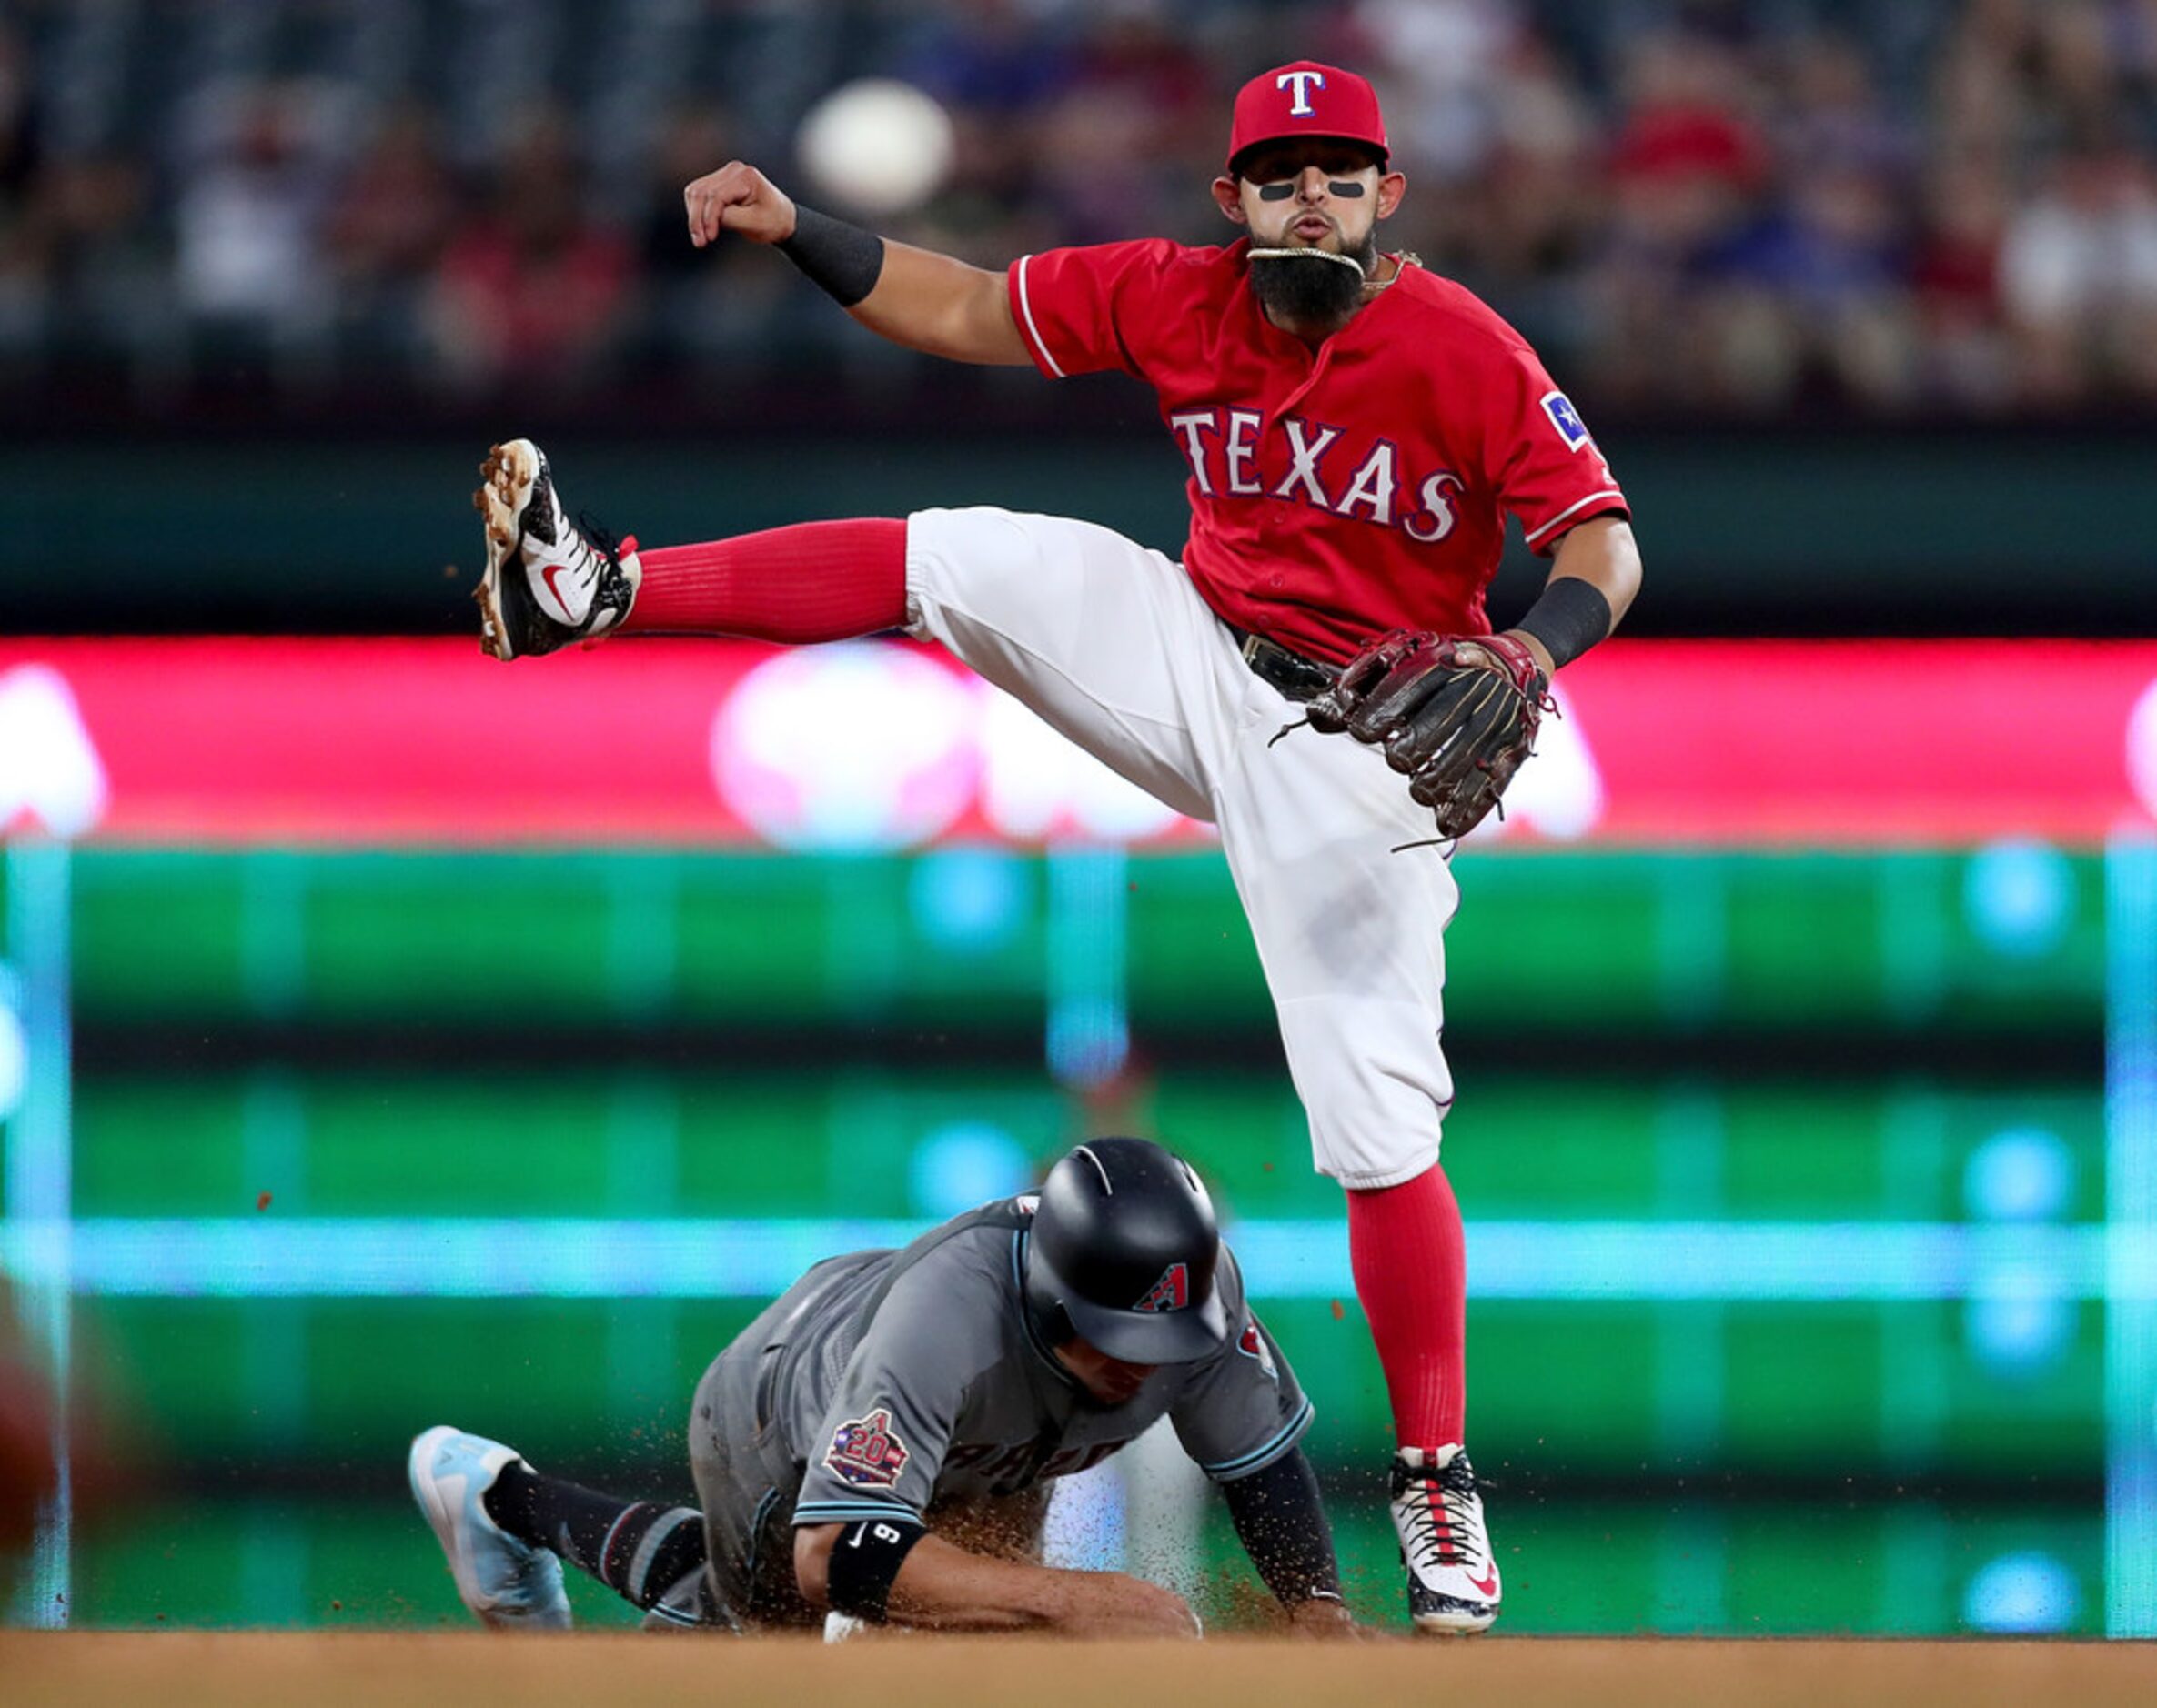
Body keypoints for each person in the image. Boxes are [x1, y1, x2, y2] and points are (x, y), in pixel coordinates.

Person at [467, 60, 1643, 1633]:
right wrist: (794, 225)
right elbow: (958, 309)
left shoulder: (1458, 343)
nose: (1312, 193)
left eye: (1341, 170)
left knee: (1374, 1113)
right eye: (1280, 171)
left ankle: (1435, 1469)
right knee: (954, 555)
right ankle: (591, 592)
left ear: (1386, 194)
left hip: (1359, 738)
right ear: (1230, 200)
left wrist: (1529, 650)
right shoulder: (1175, 295)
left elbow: (1603, 540)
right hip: (1196, 635)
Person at [409, 1138, 1350, 1636]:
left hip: (991, 1450)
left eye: (1167, 1337)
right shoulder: (945, 1323)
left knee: (969, 1639)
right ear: (1050, 1294)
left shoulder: (1199, 1300)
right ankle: (498, 1495)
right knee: (772, 1642)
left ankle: (510, 1503)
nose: (1146, 1362)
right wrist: (1077, 1598)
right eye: (1118, 1335)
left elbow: (1260, 1468)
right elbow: (836, 1558)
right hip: (780, 1408)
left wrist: (1319, 1615)